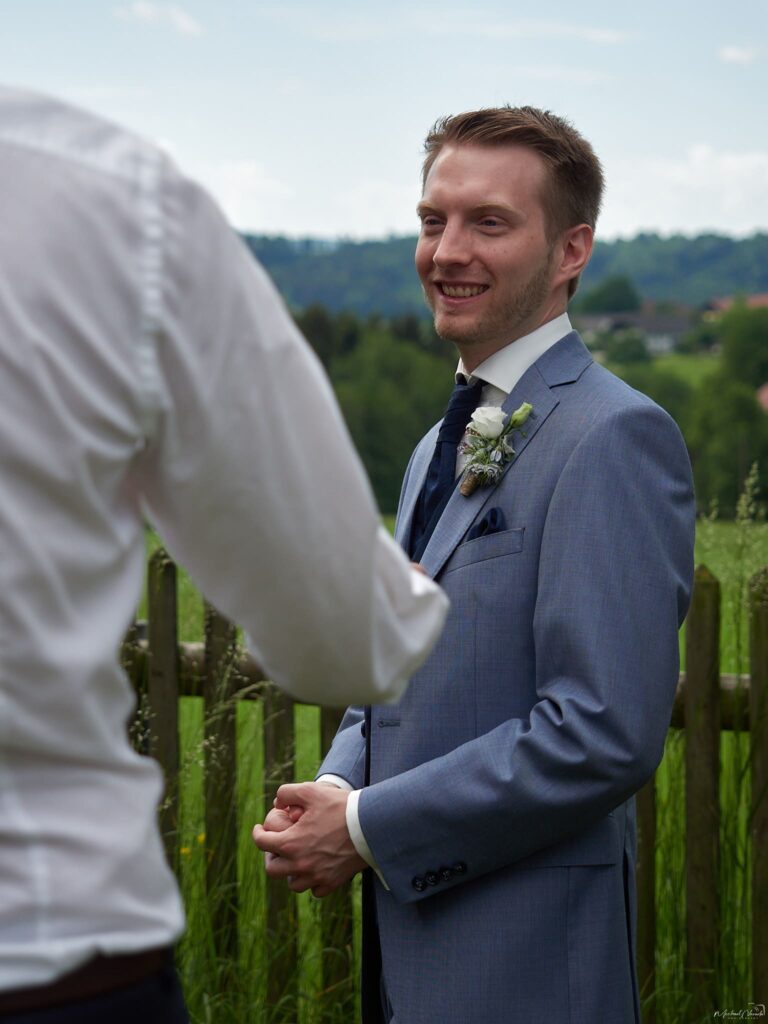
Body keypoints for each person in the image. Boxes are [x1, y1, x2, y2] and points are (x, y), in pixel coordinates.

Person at [0, 86, 448, 1020]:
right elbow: (341, 639)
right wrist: (397, 597)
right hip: (42, 944)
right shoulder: (108, 201)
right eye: (433, 220)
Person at [253, 106, 696, 1023]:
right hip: (412, 962)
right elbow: (404, 669)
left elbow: (601, 730)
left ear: (570, 250)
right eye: (432, 220)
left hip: (529, 965)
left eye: (488, 222)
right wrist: (341, 782)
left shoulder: (615, 436)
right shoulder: (432, 449)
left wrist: (369, 831)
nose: (447, 250)